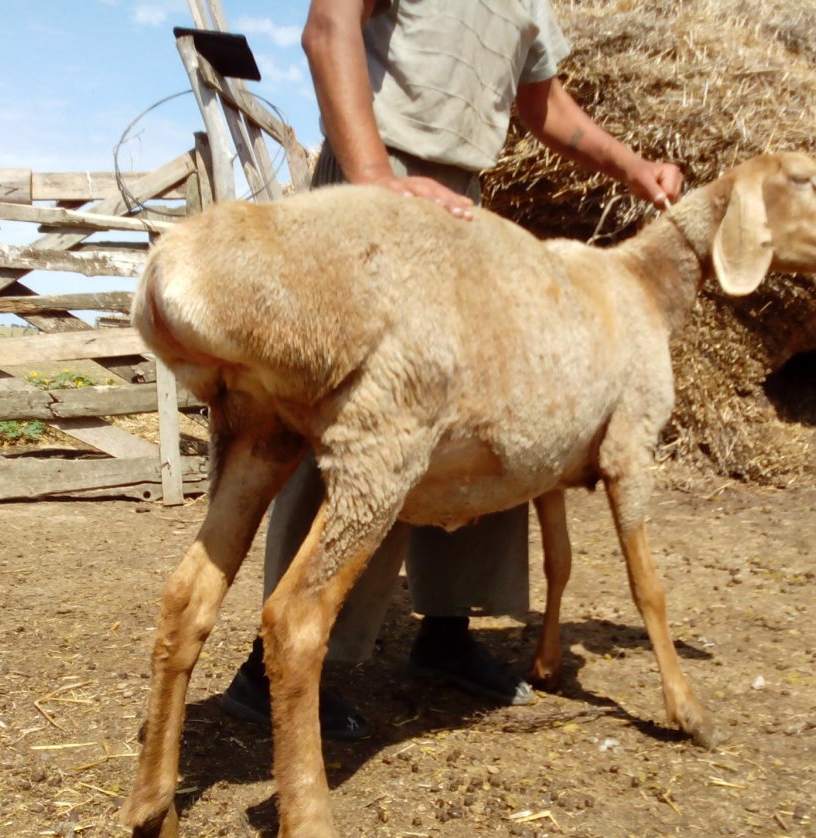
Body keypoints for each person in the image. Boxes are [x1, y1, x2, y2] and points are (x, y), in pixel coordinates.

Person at [220, 0, 684, 740]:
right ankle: (271, 663)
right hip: (372, 177)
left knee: (498, 409)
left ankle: (446, 631)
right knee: (351, 422)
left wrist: (632, 168)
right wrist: (373, 176)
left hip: (462, 200)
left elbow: (543, 103)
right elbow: (328, 28)